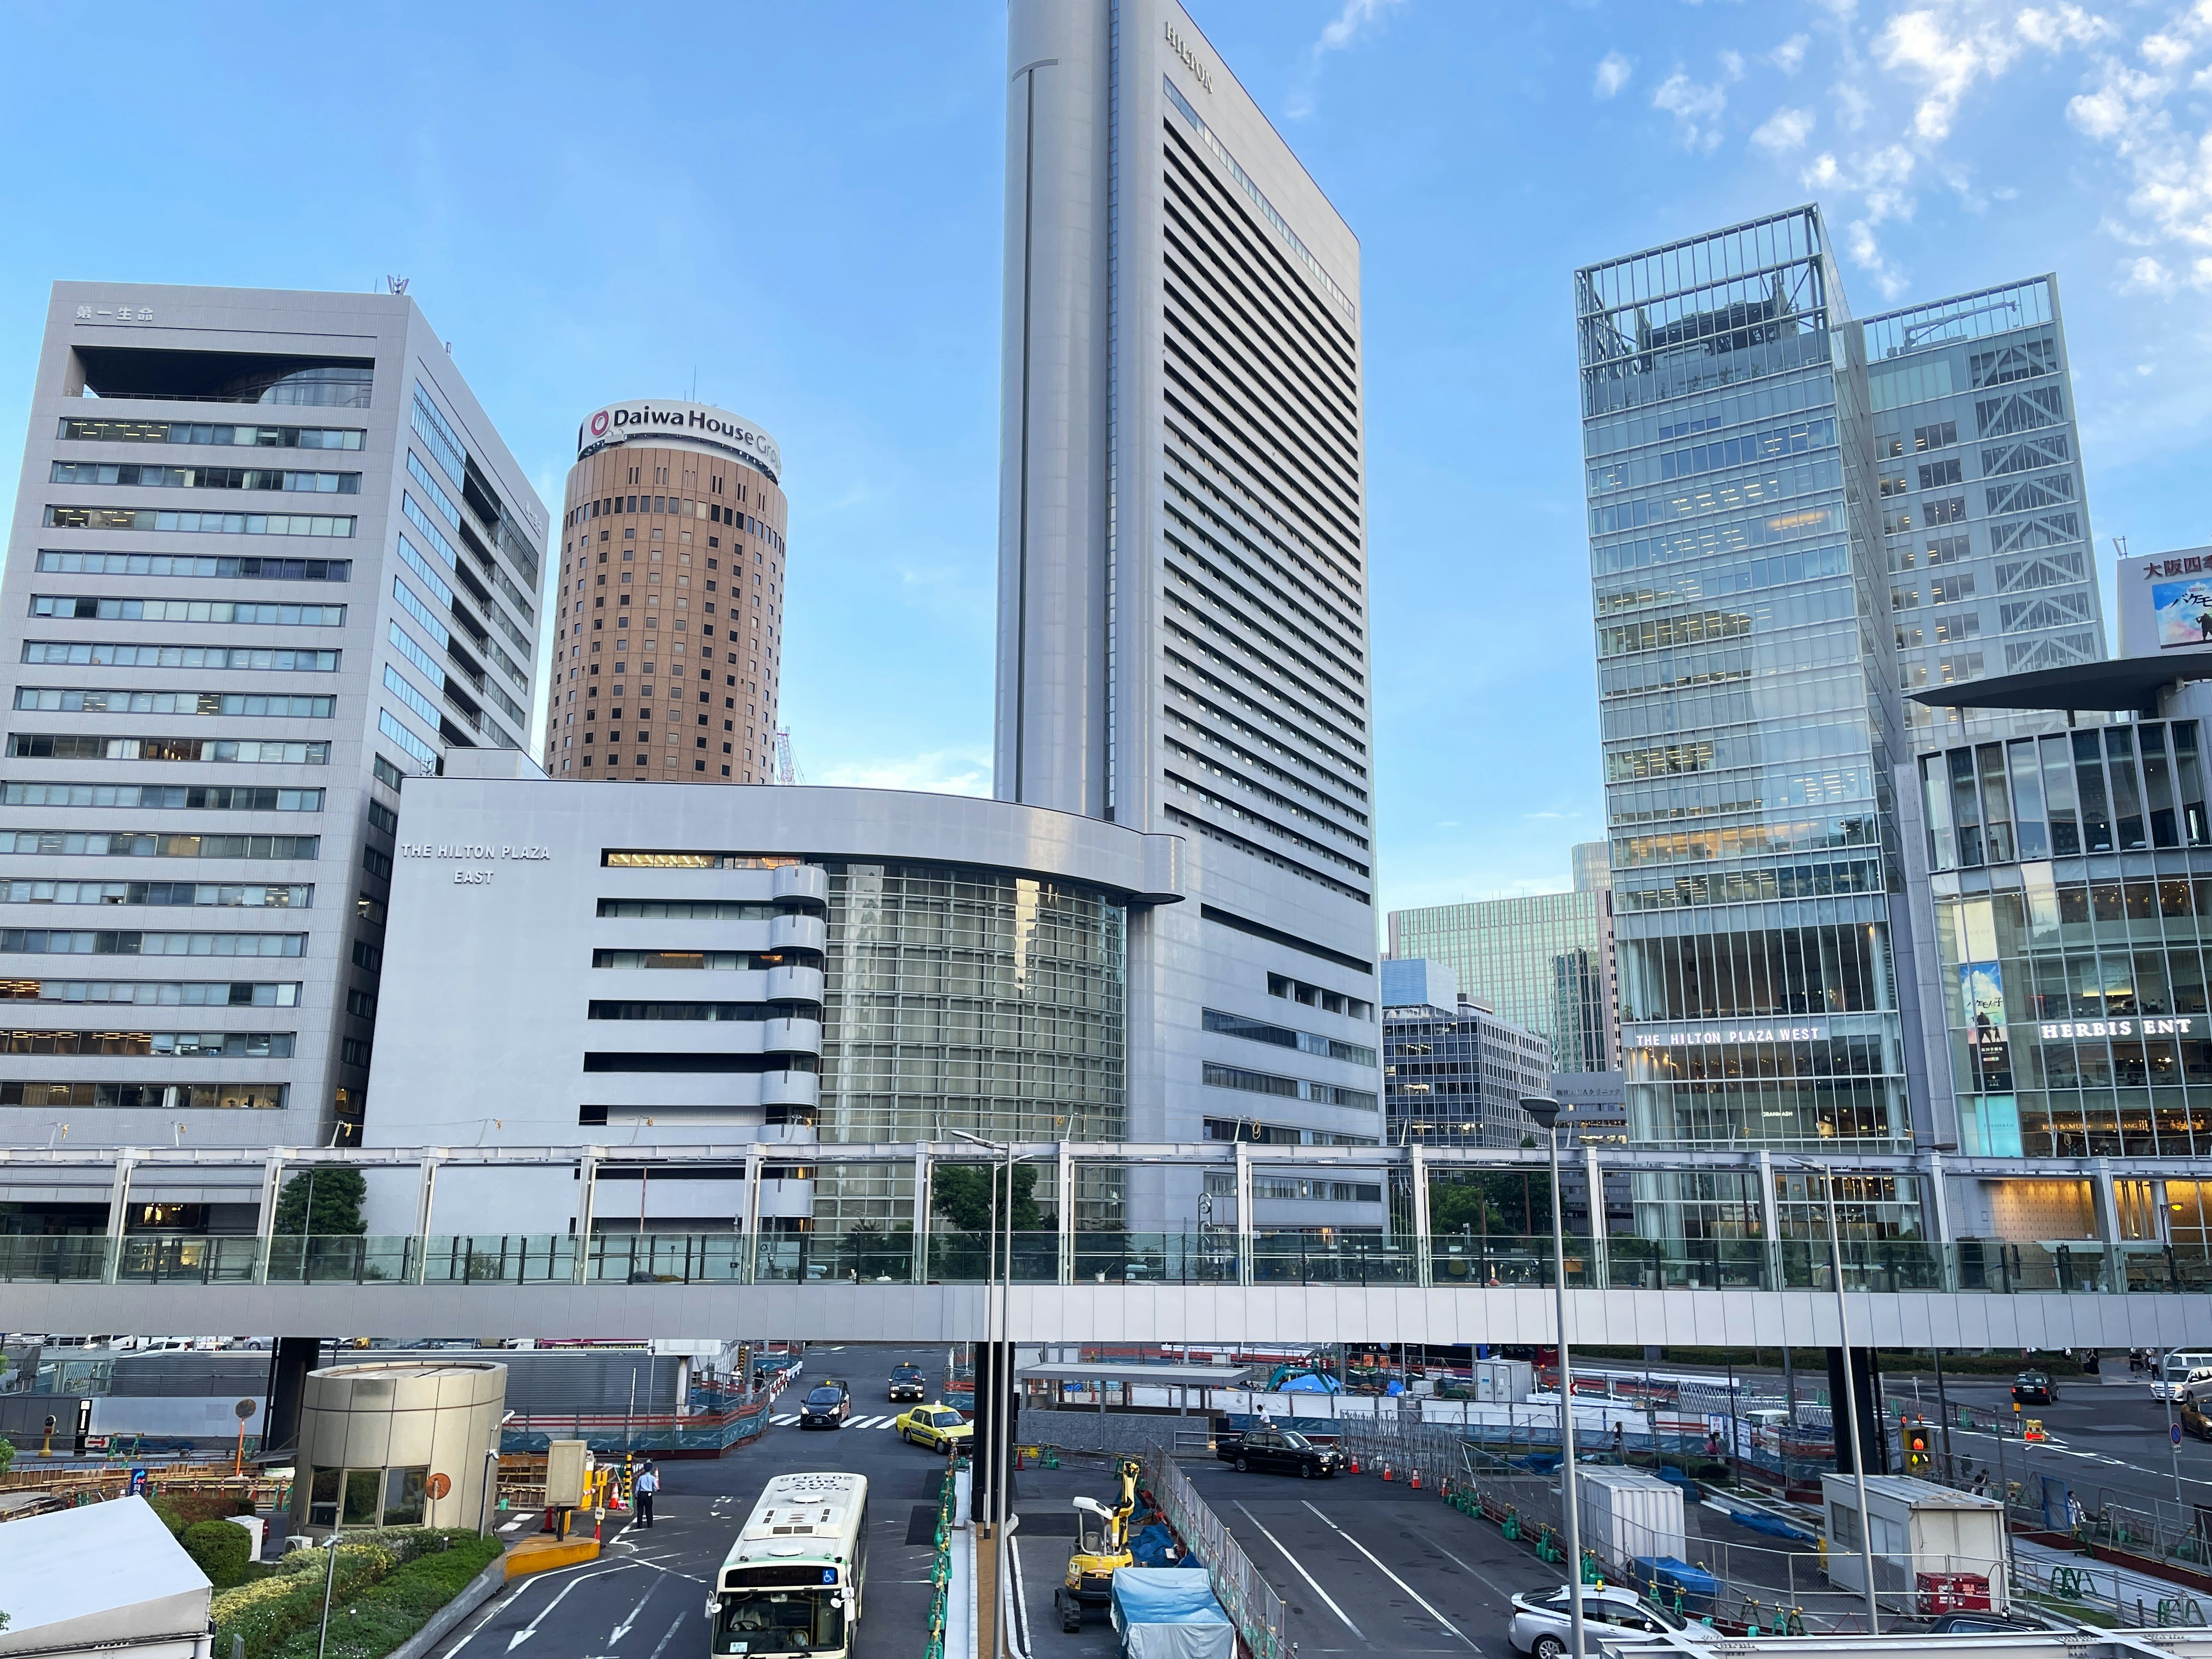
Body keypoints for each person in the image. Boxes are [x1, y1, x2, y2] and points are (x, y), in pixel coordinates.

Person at [634, 1462, 658, 1528]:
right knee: (649, 1509)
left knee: (640, 1510)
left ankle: (639, 1524)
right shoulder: (652, 1478)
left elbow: (637, 1487)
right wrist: (655, 1490)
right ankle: (650, 1524)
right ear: (651, 1470)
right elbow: (655, 1487)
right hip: (649, 1494)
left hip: (641, 1494)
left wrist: (636, 1495)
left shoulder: (641, 1477)